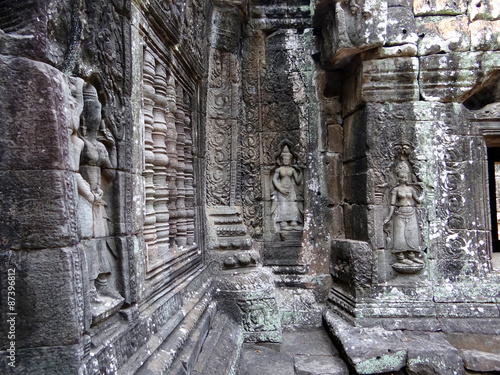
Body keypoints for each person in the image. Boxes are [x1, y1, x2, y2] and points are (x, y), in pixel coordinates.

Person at [79, 83, 118, 302]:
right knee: (87, 242)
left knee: (101, 242)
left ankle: (102, 284)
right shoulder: (79, 142)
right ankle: (90, 288)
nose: (94, 114)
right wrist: (88, 193)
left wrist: (110, 148)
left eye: (97, 110)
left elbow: (111, 175)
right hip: (84, 199)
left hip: (98, 200)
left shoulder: (100, 146)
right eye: (90, 109)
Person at [384, 160, 424, 267]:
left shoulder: (411, 189)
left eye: (405, 177)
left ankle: (412, 255)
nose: (404, 179)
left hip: (411, 212)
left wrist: (425, 191)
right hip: (399, 214)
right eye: (401, 177)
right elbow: (392, 204)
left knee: (412, 234)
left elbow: (418, 200)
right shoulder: (395, 190)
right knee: (400, 235)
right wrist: (388, 216)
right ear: (398, 178)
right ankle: (401, 257)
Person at [271, 145, 302, 233]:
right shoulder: (279, 169)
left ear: (290, 160)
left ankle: (293, 221)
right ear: (281, 160)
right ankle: (283, 221)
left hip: (291, 190)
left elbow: (298, 181)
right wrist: (280, 188)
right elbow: (274, 179)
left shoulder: (292, 170)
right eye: (284, 159)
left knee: (293, 205)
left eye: (287, 159)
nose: (286, 160)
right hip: (281, 190)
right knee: (283, 205)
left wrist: (301, 171)